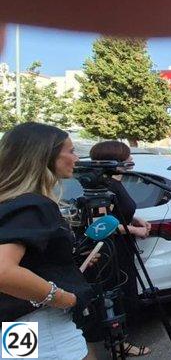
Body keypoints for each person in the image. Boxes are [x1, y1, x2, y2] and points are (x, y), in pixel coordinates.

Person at [0, 123, 93, 359]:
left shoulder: (12, 203)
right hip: (44, 326)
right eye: (71, 151)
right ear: (46, 155)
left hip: (17, 325)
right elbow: (3, 271)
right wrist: (62, 298)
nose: (76, 157)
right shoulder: (32, 205)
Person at [84, 141, 152, 357]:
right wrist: (133, 230)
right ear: (114, 161)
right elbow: (101, 225)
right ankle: (118, 345)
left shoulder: (115, 184)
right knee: (115, 299)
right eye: (127, 157)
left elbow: (118, 211)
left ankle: (120, 342)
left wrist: (136, 219)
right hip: (110, 255)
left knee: (124, 298)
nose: (131, 161)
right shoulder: (102, 186)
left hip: (122, 250)